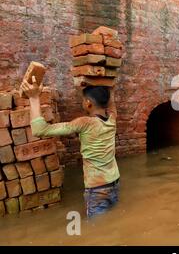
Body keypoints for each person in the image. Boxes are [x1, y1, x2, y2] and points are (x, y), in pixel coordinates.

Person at [21, 77, 120, 218]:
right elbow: (112, 101)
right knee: (112, 222)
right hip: (114, 183)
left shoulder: (85, 123)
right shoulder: (112, 119)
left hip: (97, 188)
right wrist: (107, 85)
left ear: (88, 103)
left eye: (83, 100)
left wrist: (34, 98)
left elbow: (40, 130)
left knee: (96, 232)